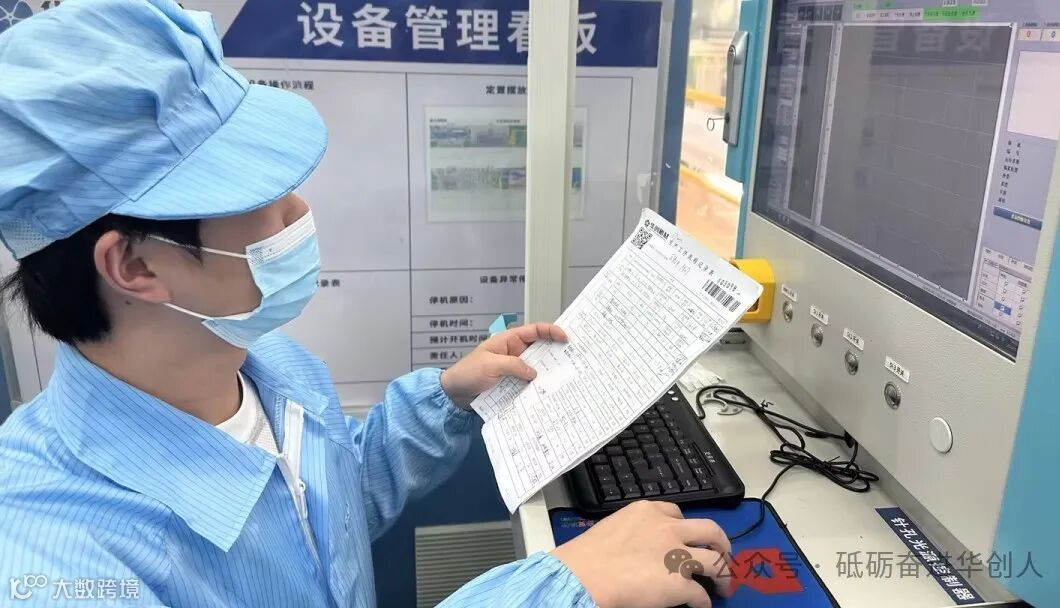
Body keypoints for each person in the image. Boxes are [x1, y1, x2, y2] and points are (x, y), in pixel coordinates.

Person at [0, 1, 731, 606]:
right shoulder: (54, 557)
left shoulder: (269, 370)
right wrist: (556, 589)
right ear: (134, 265)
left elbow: (323, 508)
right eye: (260, 194)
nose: (297, 212)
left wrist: (448, 400)